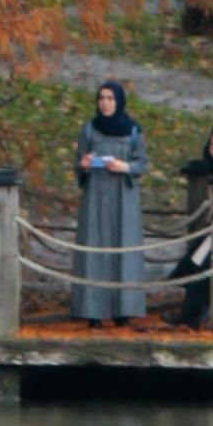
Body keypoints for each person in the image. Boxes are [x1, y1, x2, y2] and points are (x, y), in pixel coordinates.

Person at [77, 83, 149, 328]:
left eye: (110, 98)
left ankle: (123, 310)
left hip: (123, 197)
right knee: (95, 248)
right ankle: (93, 310)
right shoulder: (89, 129)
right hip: (96, 197)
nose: (105, 103)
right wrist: (85, 164)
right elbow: (79, 164)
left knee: (124, 248)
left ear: (118, 101)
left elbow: (142, 163)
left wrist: (125, 166)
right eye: (101, 98)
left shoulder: (132, 130)